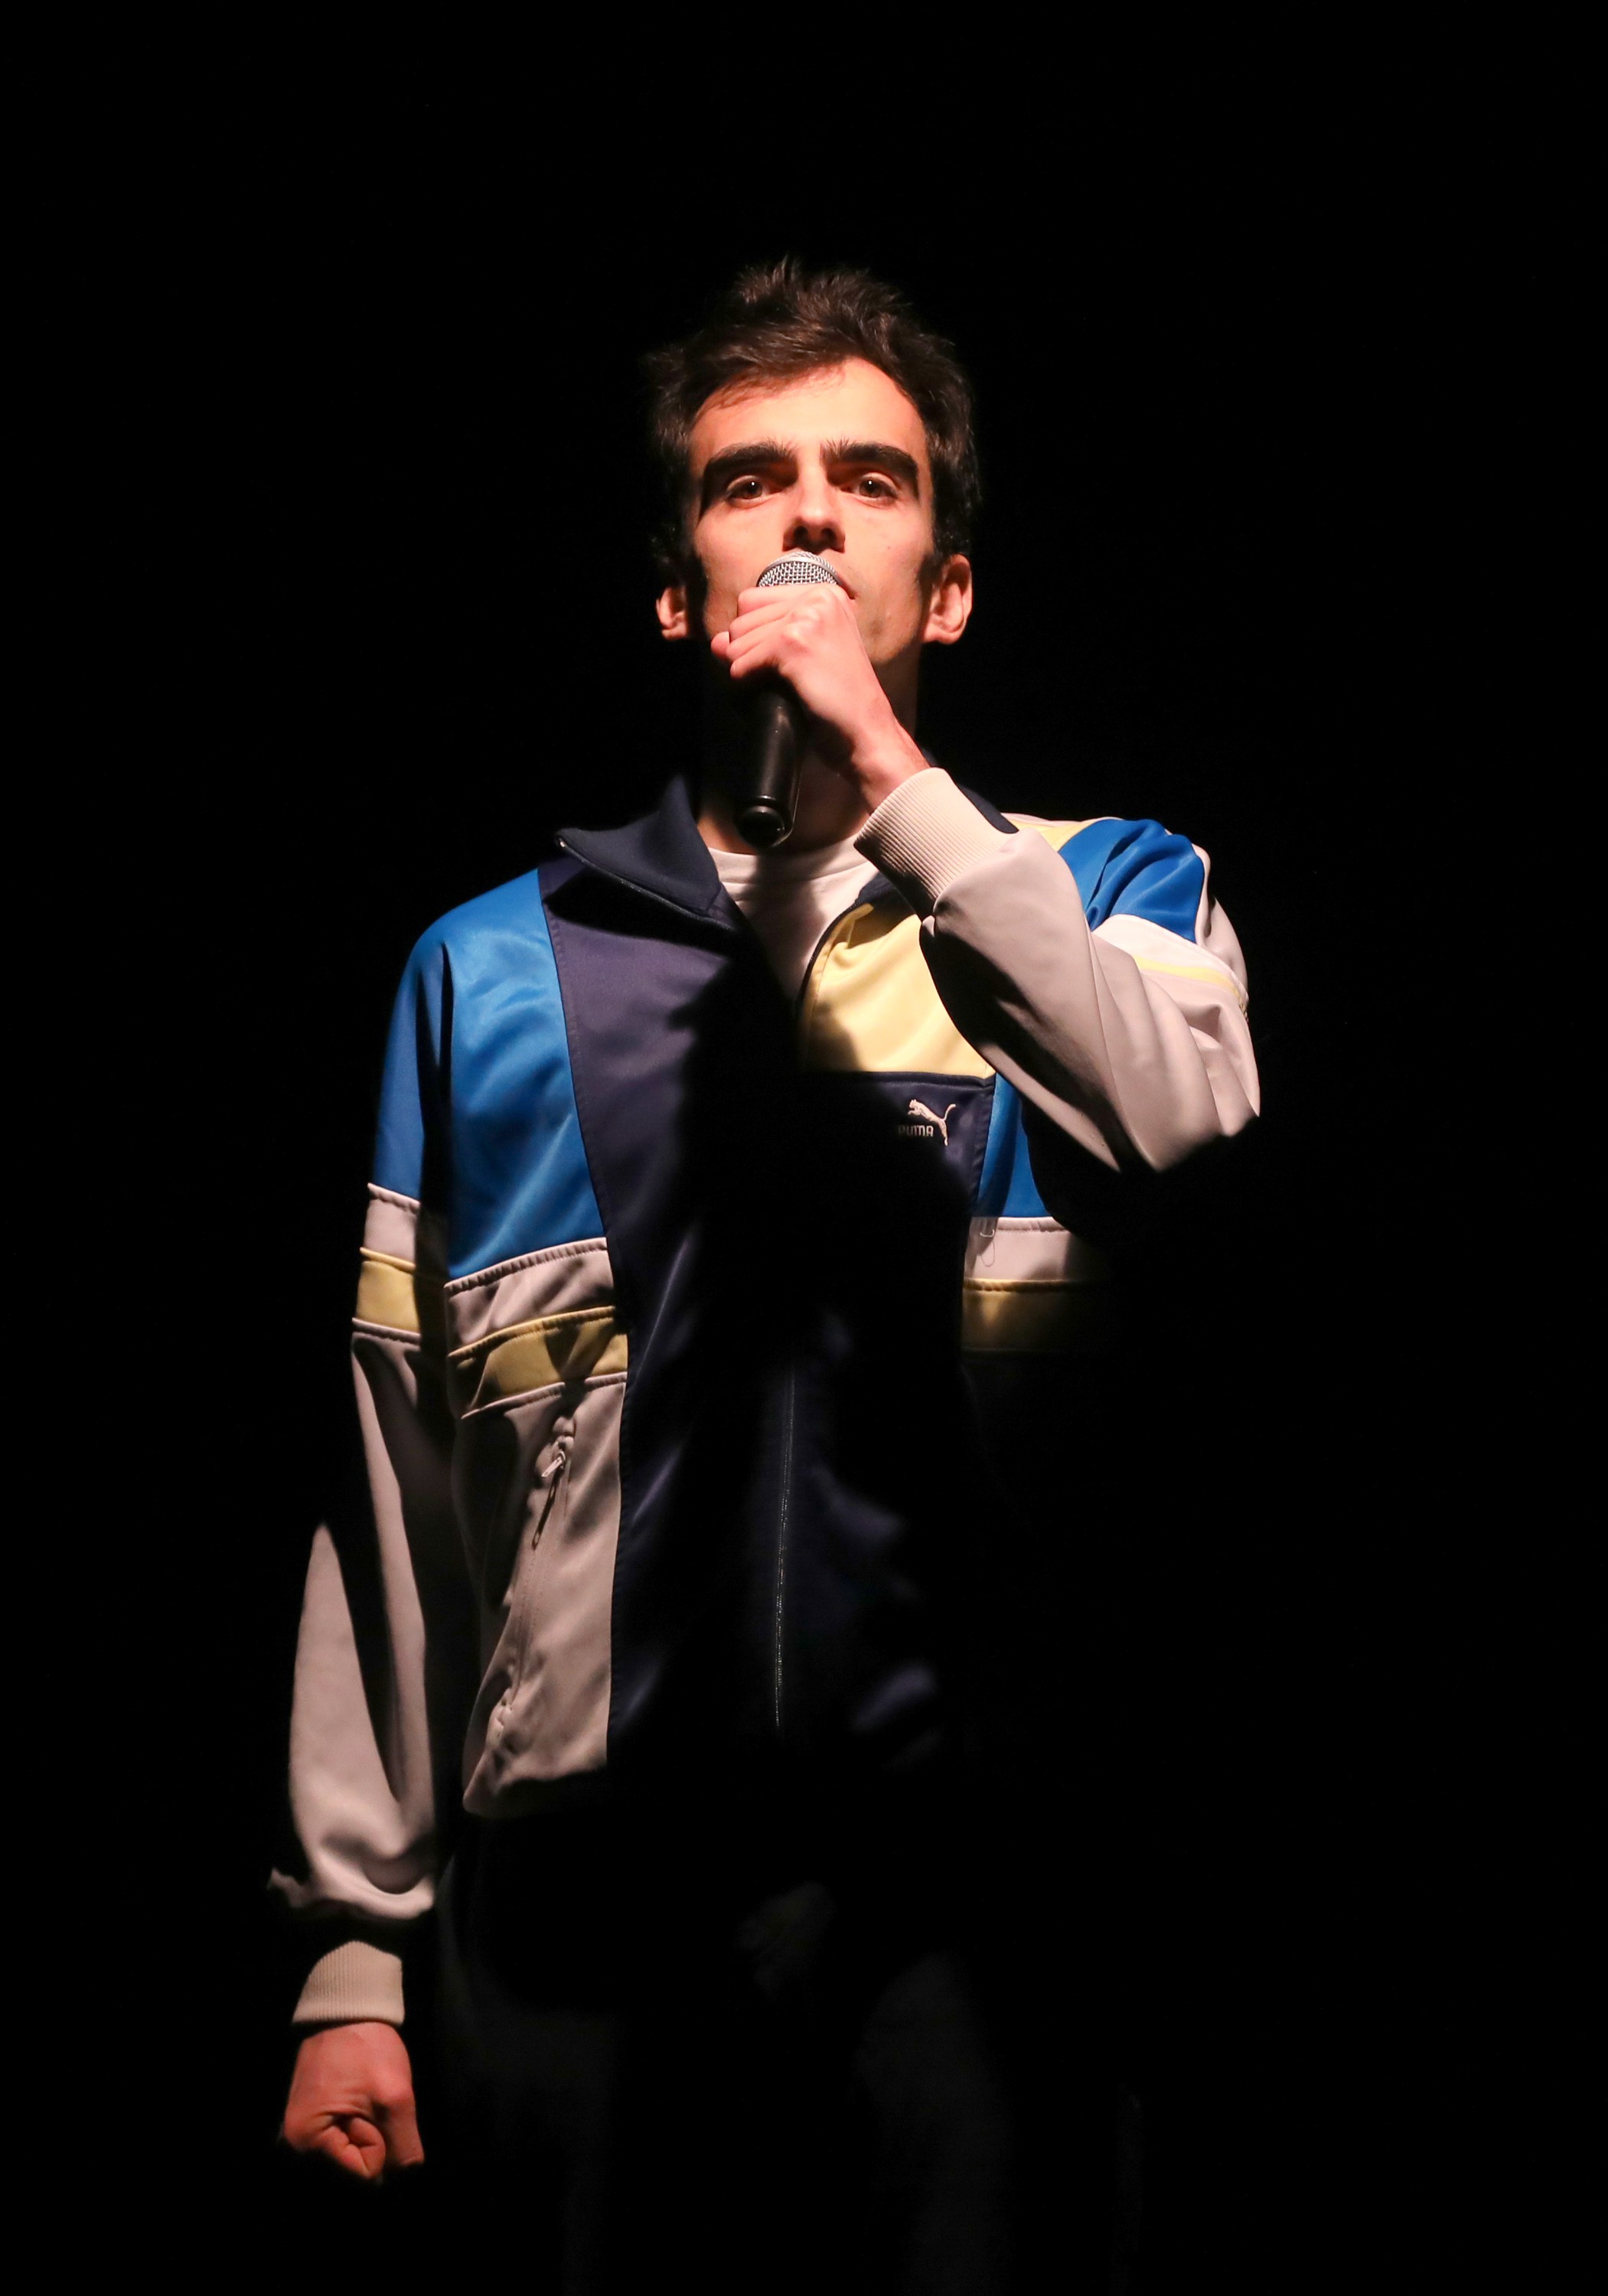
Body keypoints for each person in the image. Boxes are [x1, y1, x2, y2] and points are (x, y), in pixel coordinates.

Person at [275, 259, 1260, 2290]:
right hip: (583, 1918)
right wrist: (352, 1953)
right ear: (679, 590)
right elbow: (392, 1483)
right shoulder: (487, 970)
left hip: (982, 1913)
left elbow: (1185, 1126)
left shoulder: (1105, 891)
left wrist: (894, 782)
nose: (811, 515)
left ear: (948, 588)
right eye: (751, 482)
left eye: (869, 481)